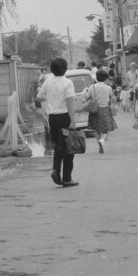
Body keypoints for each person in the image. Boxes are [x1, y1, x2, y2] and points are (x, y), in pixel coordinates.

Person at [36, 57, 79, 188]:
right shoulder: (67, 83)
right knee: (68, 148)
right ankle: (67, 178)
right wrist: (73, 120)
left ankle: (56, 170)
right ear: (65, 68)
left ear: (52, 69)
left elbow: (38, 98)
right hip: (64, 117)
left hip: (52, 119)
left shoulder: (48, 82)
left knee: (58, 147)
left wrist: (49, 100)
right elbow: (70, 102)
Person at [84, 70, 117, 154]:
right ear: (106, 78)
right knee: (105, 130)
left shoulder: (92, 87)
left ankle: (99, 144)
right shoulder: (108, 88)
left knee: (96, 129)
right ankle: (102, 140)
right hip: (105, 109)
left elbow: (87, 97)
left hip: (94, 110)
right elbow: (112, 98)